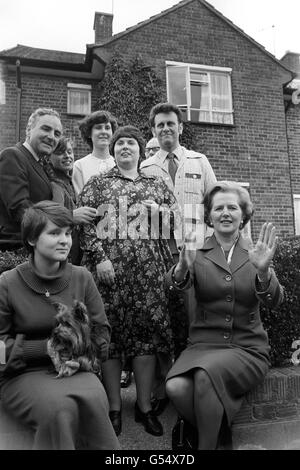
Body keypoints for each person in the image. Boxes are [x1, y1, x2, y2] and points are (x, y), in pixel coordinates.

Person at [165, 181, 284, 450]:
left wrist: (264, 273)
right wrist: (181, 269)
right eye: (219, 208)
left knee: (206, 376)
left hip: (246, 347)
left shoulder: (255, 253)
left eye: (232, 207)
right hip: (203, 345)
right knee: (175, 388)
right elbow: (172, 286)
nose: (226, 213)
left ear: (243, 215)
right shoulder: (197, 252)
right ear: (210, 215)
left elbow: (276, 300)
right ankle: (220, 433)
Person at [78, 125, 179, 438]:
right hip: (108, 276)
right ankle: (114, 407)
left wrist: (160, 212)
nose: (124, 147)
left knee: (145, 340)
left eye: (130, 143)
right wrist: (99, 258)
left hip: (149, 276)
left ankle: (144, 407)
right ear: (114, 149)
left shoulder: (156, 183)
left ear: (139, 150)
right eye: (119, 142)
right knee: (112, 341)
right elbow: (85, 226)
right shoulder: (98, 183)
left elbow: (176, 220)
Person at [0, 201, 120, 450]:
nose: (65, 240)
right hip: (22, 373)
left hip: (77, 368)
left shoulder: (81, 277)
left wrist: (85, 357)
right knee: (58, 409)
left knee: (95, 399)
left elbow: (101, 331)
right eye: (54, 233)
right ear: (32, 239)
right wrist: (49, 349)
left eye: (68, 233)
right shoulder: (8, 283)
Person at [140, 102, 217, 415]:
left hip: (194, 249)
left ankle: (192, 376)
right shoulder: (146, 169)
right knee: (162, 317)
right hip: (159, 251)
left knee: (193, 313)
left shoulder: (199, 160)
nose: (166, 129)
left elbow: (214, 204)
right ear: (154, 131)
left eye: (171, 124)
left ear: (180, 127)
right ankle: (164, 383)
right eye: (160, 125)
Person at [0, 108, 62, 250]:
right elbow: (20, 208)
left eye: (57, 133)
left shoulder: (40, 164)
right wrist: (62, 222)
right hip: (15, 250)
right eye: (46, 129)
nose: (52, 137)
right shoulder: (12, 156)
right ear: (28, 130)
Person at [45, 137, 98, 264]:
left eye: (69, 152)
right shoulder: (55, 185)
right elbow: (54, 218)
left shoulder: (69, 182)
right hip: (64, 254)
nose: (67, 156)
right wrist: (72, 216)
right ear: (48, 158)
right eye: (60, 152)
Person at [72, 110, 118, 196]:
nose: (103, 131)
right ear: (89, 133)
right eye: (98, 127)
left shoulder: (119, 164)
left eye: (107, 128)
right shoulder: (79, 166)